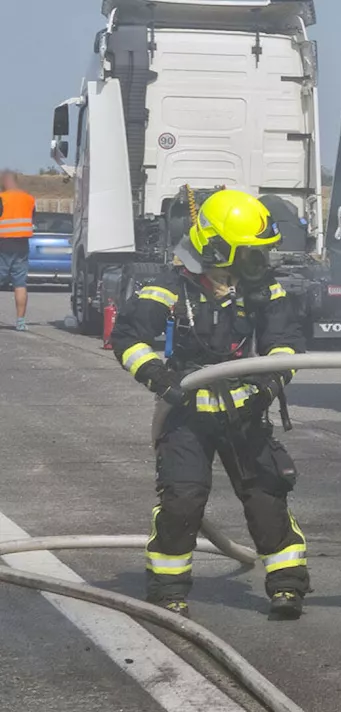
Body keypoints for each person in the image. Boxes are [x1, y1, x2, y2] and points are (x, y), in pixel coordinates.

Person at [110, 189, 309, 619]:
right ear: (218, 248)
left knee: (266, 496)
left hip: (246, 412)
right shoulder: (171, 287)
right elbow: (128, 335)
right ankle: (167, 590)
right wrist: (160, 379)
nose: (261, 264)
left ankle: (287, 585)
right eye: (251, 254)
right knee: (182, 500)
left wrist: (267, 383)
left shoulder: (262, 289)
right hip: (185, 414)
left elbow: (288, 342)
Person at [0, 172, 35, 330]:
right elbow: (32, 218)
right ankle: (20, 322)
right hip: (22, 242)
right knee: (20, 283)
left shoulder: (2, 198)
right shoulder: (29, 198)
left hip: (3, 241)